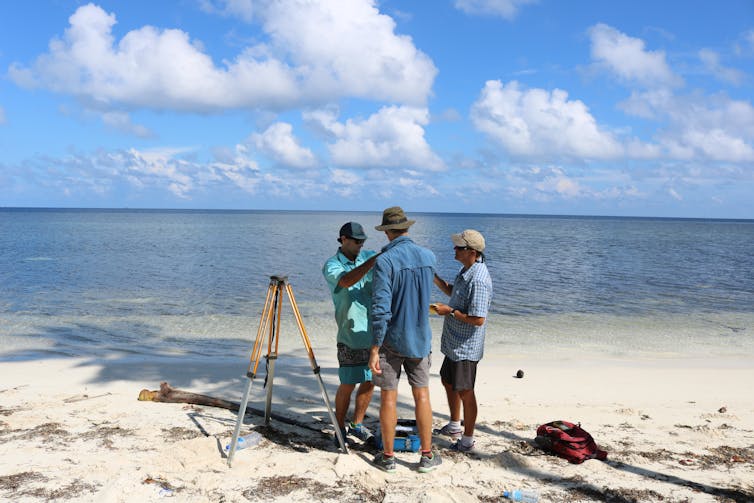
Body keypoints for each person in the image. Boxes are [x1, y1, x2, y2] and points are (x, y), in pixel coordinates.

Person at [368, 206, 442, 473]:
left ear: (387, 231)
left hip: (391, 341)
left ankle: (388, 457)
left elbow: (380, 308)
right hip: (421, 339)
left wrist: (374, 348)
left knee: (388, 398)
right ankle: (426, 456)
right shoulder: (428, 256)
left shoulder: (385, 262)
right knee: (422, 396)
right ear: (407, 228)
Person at [431, 229, 493, 452]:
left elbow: (478, 319)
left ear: (472, 252)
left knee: (466, 391)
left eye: (459, 247)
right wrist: (435, 278)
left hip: (466, 346)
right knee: (447, 381)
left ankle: (467, 440)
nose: (454, 250)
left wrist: (449, 312)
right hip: (455, 344)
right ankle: (455, 425)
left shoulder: (478, 280)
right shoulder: (466, 270)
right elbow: (453, 292)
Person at [322, 222, 379, 448]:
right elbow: (346, 281)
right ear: (343, 239)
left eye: (362, 241)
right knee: (348, 383)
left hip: (373, 332)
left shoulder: (368, 256)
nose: (360, 245)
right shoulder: (332, 265)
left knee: (369, 381)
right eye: (356, 241)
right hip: (349, 335)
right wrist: (372, 262)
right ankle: (339, 427)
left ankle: (357, 424)